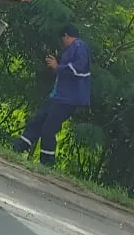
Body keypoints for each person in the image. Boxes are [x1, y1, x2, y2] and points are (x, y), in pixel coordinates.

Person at [13, 24, 91, 166]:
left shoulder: (79, 46)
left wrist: (57, 66)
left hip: (68, 99)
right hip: (57, 96)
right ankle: (19, 147)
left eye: (63, 39)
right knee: (38, 120)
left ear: (66, 35)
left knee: (49, 129)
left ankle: (47, 162)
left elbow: (79, 67)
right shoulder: (74, 48)